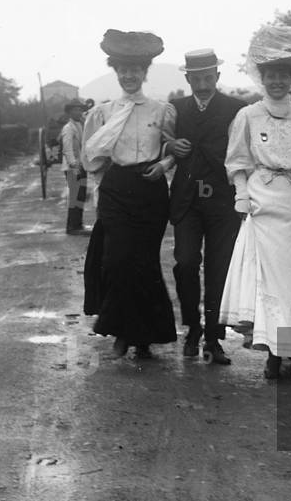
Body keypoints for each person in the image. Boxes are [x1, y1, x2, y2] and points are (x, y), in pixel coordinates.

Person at [218, 24, 291, 379]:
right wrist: (241, 194)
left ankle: (290, 344)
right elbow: (237, 159)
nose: (277, 82)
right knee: (267, 278)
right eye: (270, 75)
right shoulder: (248, 115)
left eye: (283, 76)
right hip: (262, 202)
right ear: (261, 78)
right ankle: (272, 352)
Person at [81, 30, 178, 359]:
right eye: (123, 69)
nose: (129, 75)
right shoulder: (103, 113)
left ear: (145, 72)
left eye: (136, 69)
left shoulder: (161, 110)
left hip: (150, 190)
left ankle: (144, 339)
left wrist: (164, 164)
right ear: (116, 71)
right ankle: (120, 330)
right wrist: (101, 187)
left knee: (144, 264)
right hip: (117, 189)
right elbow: (92, 156)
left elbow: (173, 148)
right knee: (117, 261)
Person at [165, 49, 247, 365]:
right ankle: (193, 329)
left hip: (223, 201)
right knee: (185, 263)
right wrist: (170, 145)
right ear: (187, 78)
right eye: (196, 78)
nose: (202, 84)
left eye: (207, 77)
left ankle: (213, 338)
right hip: (186, 199)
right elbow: (160, 141)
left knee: (219, 270)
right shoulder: (176, 109)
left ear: (217, 77)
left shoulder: (237, 110)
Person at [60, 100, 90, 236]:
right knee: (76, 196)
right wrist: (74, 166)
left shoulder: (80, 125)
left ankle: (77, 224)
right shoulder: (68, 128)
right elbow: (67, 149)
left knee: (80, 195)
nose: (79, 112)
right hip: (74, 167)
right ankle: (73, 227)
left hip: (80, 165)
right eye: (75, 110)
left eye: (80, 110)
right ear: (70, 112)